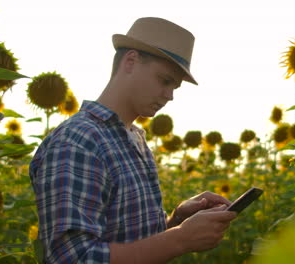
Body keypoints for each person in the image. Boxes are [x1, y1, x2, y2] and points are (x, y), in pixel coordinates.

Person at [29, 17, 237, 263]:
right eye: (164, 80)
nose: (170, 95)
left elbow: (130, 239)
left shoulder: (133, 139)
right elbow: (73, 258)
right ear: (130, 61)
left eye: (175, 87)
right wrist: (180, 239)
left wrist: (177, 220)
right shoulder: (79, 140)